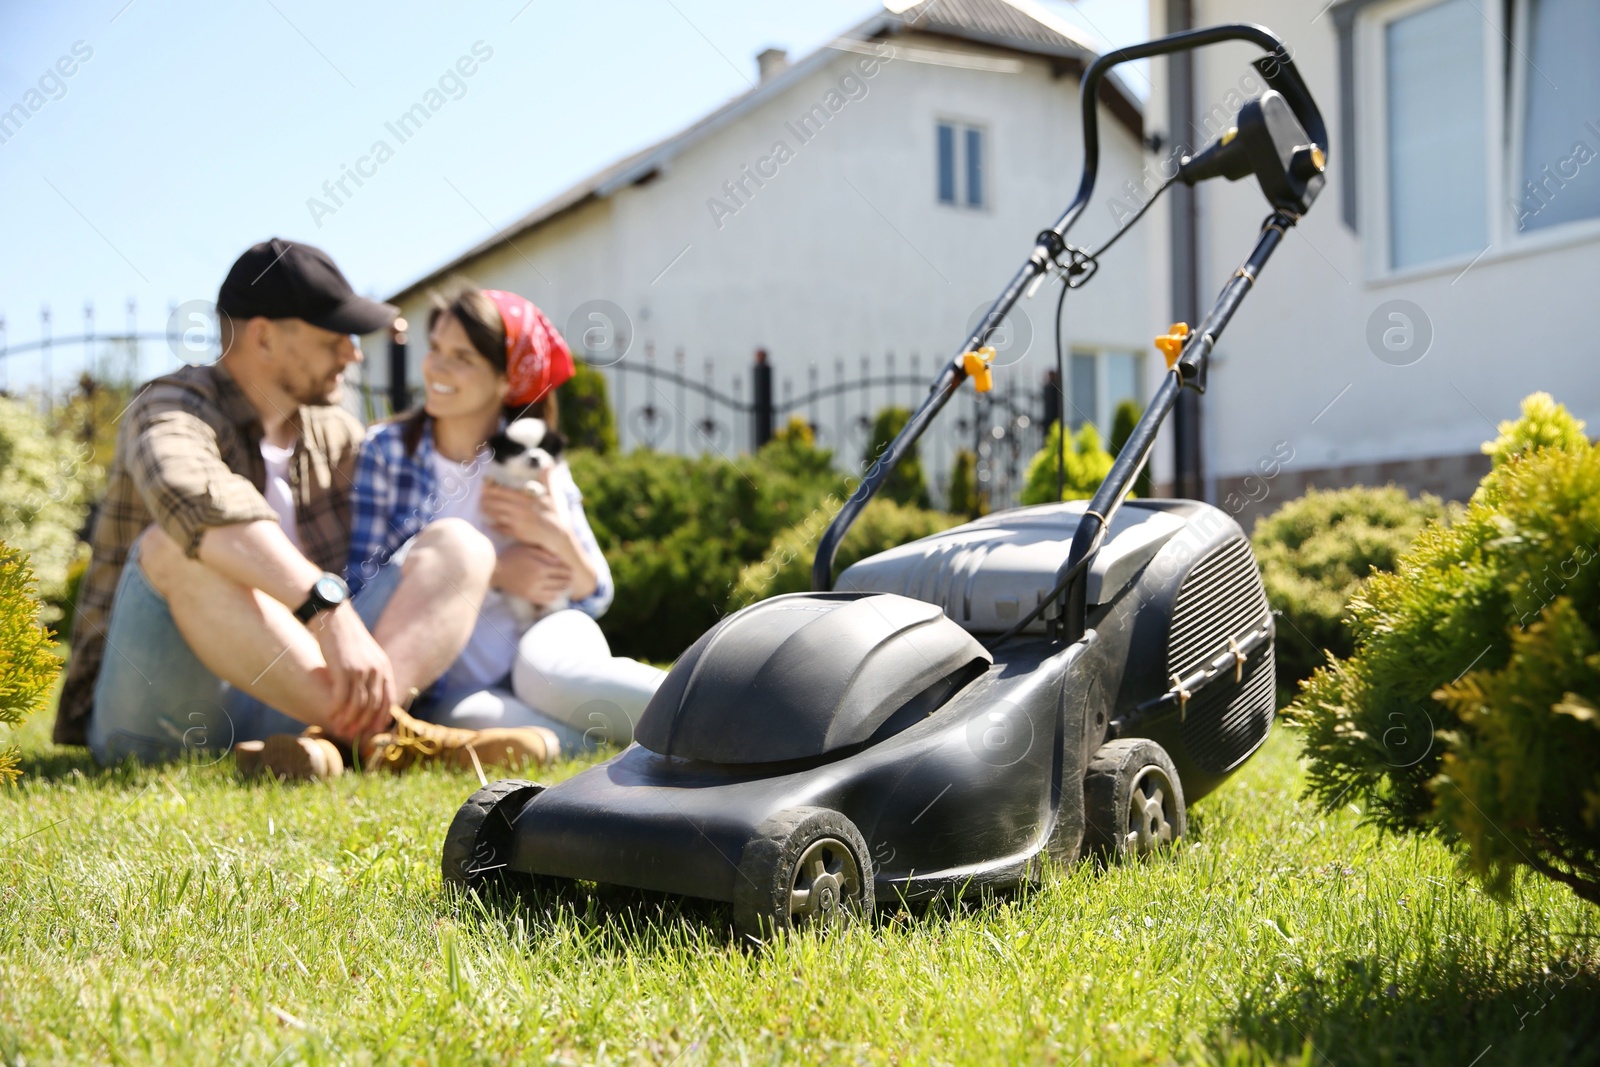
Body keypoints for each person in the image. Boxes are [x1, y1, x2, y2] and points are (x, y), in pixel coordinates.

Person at [55, 239, 559, 773]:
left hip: (286, 700)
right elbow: (197, 503)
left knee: (460, 545)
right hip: (160, 713)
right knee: (173, 545)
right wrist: (329, 610)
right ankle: (383, 736)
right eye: (333, 336)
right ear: (264, 337)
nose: (354, 353)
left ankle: (324, 745)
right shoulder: (169, 407)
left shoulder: (332, 432)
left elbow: (405, 538)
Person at [346, 287, 664, 753]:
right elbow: (361, 584)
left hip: (547, 640)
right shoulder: (388, 452)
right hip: (450, 684)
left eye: (463, 357)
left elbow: (594, 592)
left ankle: (722, 711)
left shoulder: (534, 458)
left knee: (546, 678)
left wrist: (551, 533)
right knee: (516, 733)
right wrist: (494, 570)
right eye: (435, 348)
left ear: (505, 378)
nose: (437, 367)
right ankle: (662, 752)